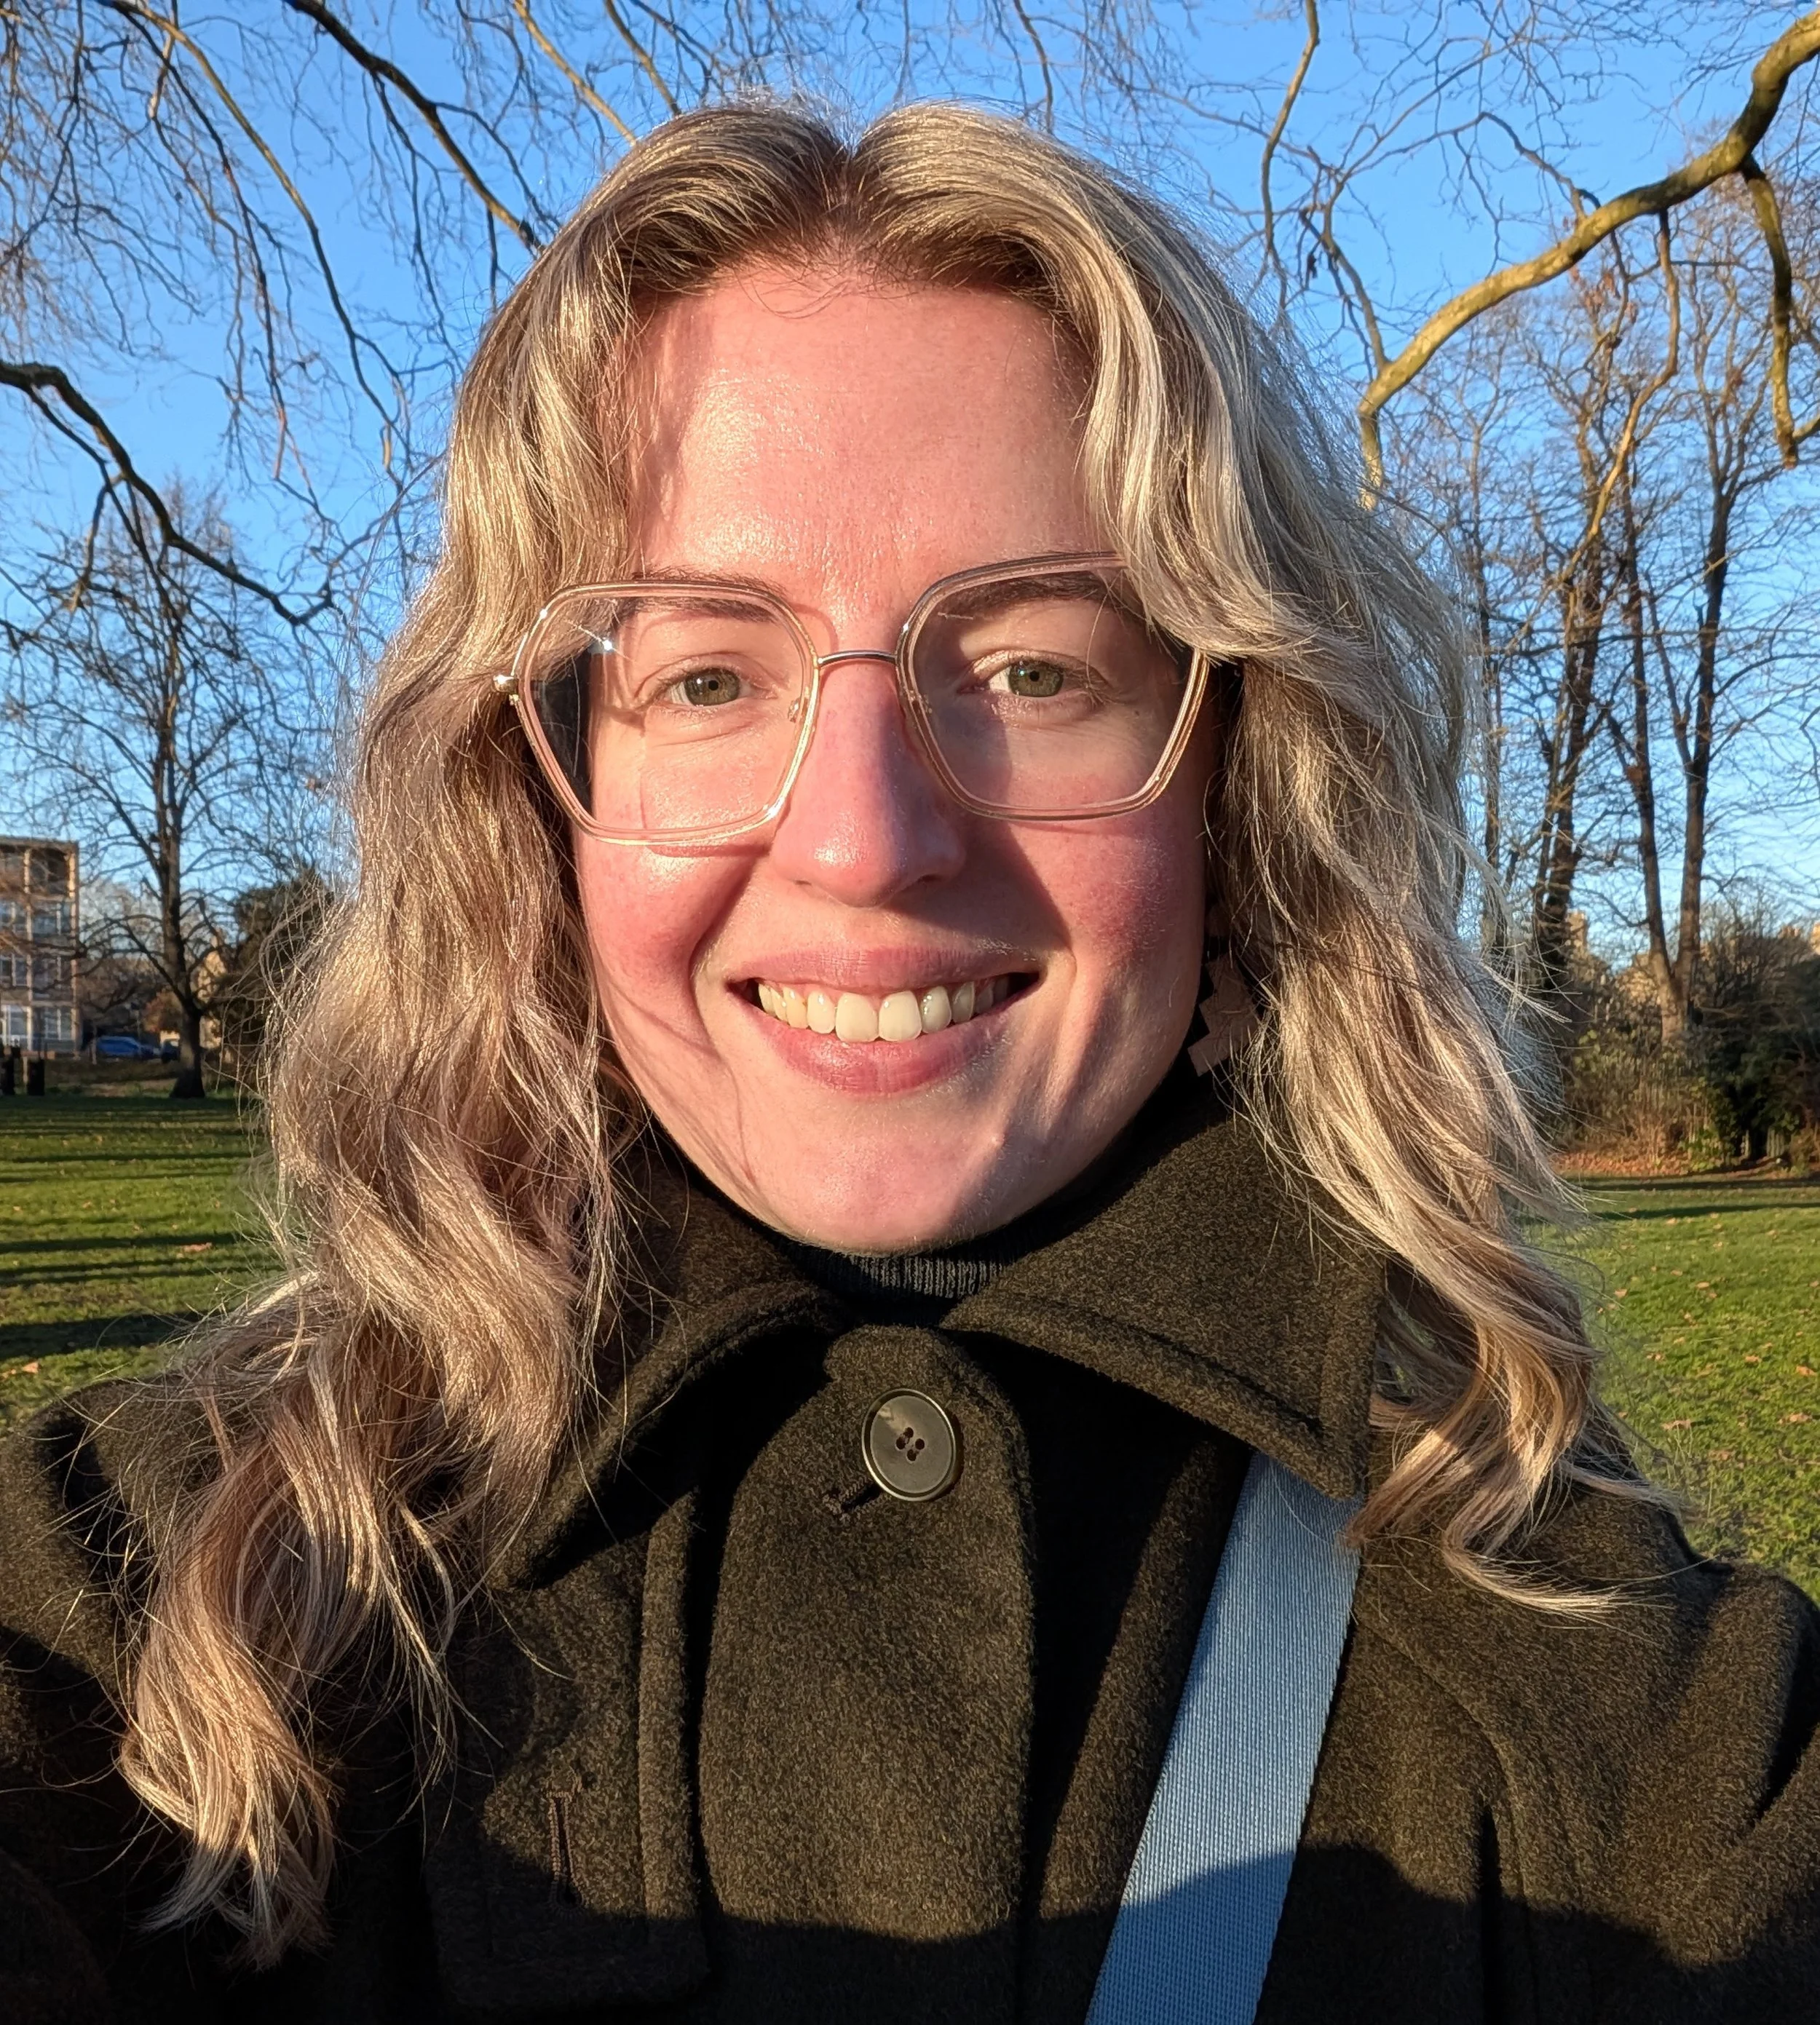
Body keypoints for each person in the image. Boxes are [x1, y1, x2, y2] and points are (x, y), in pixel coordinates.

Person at [1, 102, 1816, 2025]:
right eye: (703, 676)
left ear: (1235, 781)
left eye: (1033, 668)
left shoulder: (1605, 1692)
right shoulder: (168, 1580)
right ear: (542, 803)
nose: (865, 837)